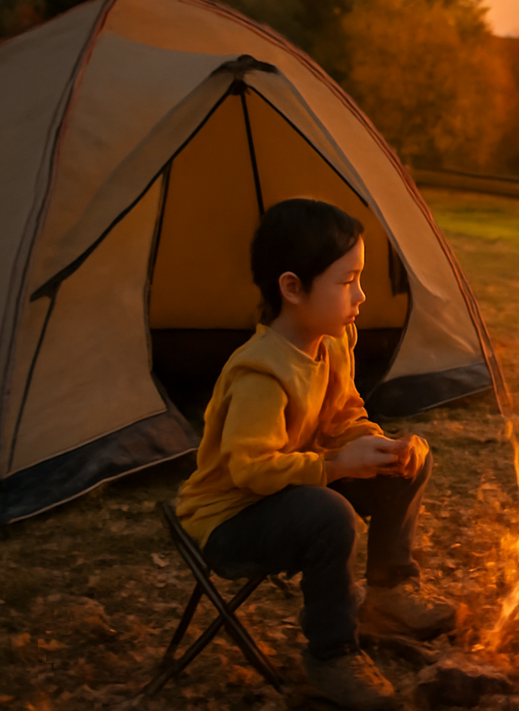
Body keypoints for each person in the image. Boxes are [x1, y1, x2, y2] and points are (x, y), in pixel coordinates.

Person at [175, 198, 453, 711]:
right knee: (330, 513)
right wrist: (332, 467)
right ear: (292, 288)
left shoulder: (335, 338)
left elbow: (344, 414)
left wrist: (376, 444)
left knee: (408, 462)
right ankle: (331, 655)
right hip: (230, 516)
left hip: (294, 484)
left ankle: (389, 594)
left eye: (360, 278)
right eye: (347, 281)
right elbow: (250, 470)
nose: (362, 294)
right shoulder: (262, 373)